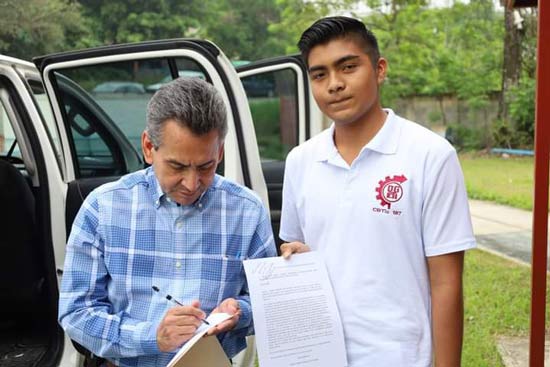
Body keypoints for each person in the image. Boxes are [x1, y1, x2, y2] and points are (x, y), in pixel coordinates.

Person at [279, 16, 476, 367]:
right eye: (319, 74)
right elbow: (306, 255)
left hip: (401, 357)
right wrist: (298, 256)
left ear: (379, 69)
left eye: (348, 67)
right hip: (321, 356)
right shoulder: (300, 161)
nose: (334, 84)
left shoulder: (430, 155)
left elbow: (447, 285)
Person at [58, 77, 277, 367]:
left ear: (219, 152)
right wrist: (152, 336)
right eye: (177, 166)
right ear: (149, 147)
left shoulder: (246, 211)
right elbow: (75, 312)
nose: (191, 183)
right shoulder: (103, 208)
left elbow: (270, 302)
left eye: (206, 166)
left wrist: (240, 312)